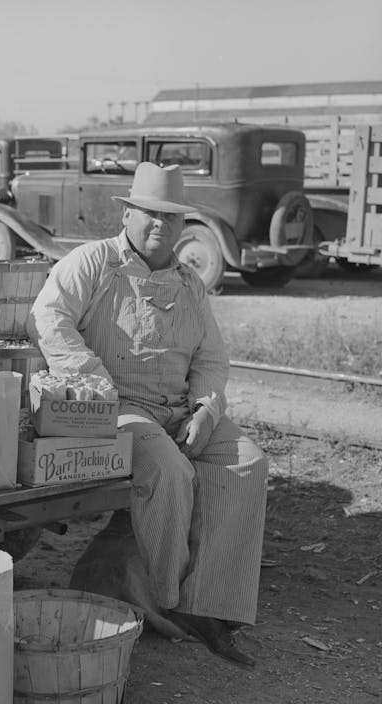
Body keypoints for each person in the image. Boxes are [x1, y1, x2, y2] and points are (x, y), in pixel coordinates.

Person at [25, 162, 268, 669]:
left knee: (246, 462)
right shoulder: (93, 262)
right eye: (150, 213)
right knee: (170, 471)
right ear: (128, 214)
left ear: (183, 225)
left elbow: (211, 358)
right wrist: (94, 381)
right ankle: (171, 600)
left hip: (179, 409)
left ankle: (211, 604)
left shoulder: (190, 282)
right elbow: (47, 316)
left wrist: (204, 410)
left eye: (171, 217)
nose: (160, 224)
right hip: (118, 410)